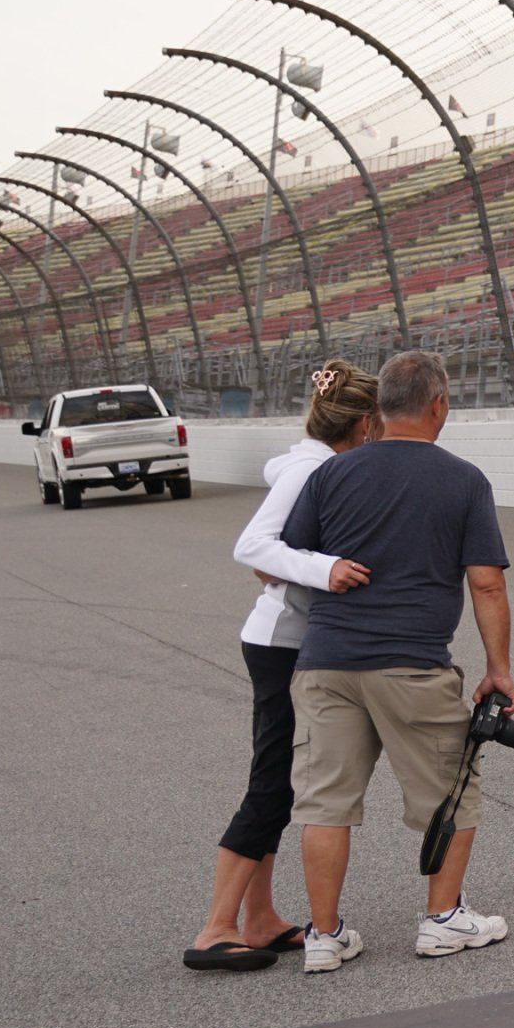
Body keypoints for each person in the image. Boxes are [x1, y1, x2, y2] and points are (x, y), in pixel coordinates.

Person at [280, 350, 514, 974]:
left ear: (381, 407)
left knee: (324, 803)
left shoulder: (329, 476)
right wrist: (499, 669)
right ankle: (442, 921)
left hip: (326, 662)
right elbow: (486, 585)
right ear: (438, 404)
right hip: (412, 664)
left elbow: (282, 559)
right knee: (450, 793)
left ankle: (324, 936)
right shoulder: (464, 480)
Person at [183, 361, 378, 972]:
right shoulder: (312, 468)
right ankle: (215, 928)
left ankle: (260, 918)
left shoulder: (315, 464)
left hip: (288, 640)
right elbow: (253, 546)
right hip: (279, 644)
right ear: (367, 423)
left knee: (281, 782)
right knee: (271, 782)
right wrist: (326, 570)